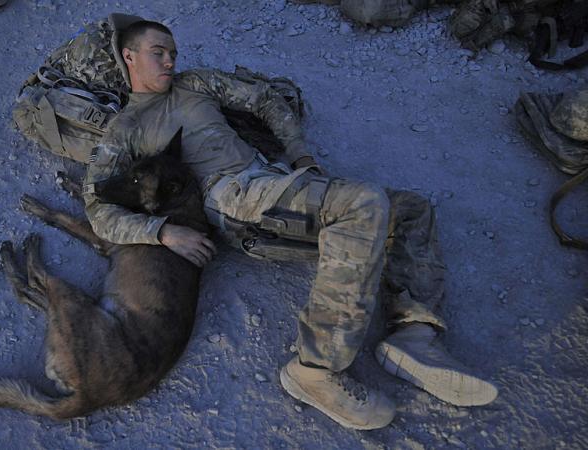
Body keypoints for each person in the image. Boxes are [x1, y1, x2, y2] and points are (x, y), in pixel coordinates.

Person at [82, 20, 498, 430]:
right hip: (233, 200)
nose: (170, 61)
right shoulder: (126, 129)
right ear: (130, 56)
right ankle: (316, 369)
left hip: (276, 181)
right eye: (159, 53)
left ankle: (413, 332)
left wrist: (299, 153)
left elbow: (263, 98)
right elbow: (97, 207)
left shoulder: (195, 83)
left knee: (408, 209)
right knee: (363, 203)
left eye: (173, 52)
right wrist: (163, 233)